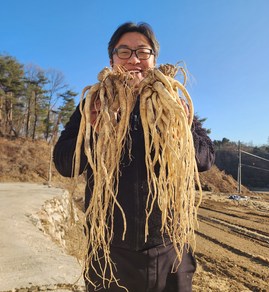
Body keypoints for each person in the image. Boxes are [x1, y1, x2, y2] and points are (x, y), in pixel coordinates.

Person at [53, 22, 215, 292]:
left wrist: (181, 132)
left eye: (143, 51)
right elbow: (64, 164)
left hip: (170, 248)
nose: (134, 60)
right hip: (109, 251)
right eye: (124, 52)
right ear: (112, 59)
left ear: (154, 59)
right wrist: (95, 131)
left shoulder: (174, 105)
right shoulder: (92, 104)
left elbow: (206, 159)